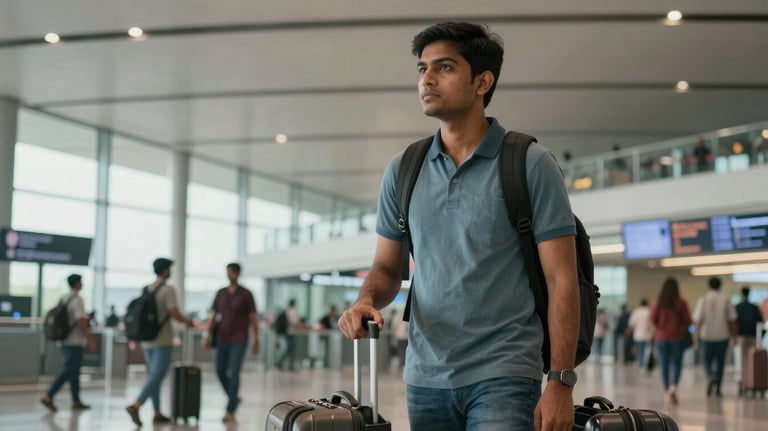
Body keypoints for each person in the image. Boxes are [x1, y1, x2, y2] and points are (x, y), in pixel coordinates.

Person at [337, 22, 579, 431]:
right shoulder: (404, 169)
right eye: (422, 68)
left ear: (482, 81)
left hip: (504, 372)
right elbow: (386, 269)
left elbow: (562, 281)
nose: (427, 79)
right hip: (426, 376)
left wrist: (560, 382)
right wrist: (366, 301)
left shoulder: (530, 163)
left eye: (444, 67)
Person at [126, 258, 195, 427]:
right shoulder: (168, 289)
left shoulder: (147, 289)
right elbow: (174, 313)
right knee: (157, 375)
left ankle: (157, 412)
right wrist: (188, 322)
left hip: (147, 339)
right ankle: (137, 404)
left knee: (153, 375)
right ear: (165, 271)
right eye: (169, 269)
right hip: (162, 339)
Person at [204, 263, 259, 423]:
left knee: (234, 372)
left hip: (239, 338)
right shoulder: (221, 293)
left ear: (238, 274)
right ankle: (233, 398)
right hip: (222, 337)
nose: (230, 275)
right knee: (220, 370)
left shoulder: (246, 294)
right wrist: (207, 334)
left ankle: (230, 410)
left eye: (233, 272)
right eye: (228, 272)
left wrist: (256, 339)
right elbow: (213, 315)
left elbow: (253, 317)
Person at [40, 274, 98, 413]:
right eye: (81, 282)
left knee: (74, 372)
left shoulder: (64, 298)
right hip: (74, 341)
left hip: (63, 339)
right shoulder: (78, 300)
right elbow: (80, 321)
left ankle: (76, 400)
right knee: (68, 369)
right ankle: (49, 395)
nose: (82, 284)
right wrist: (90, 338)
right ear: (77, 284)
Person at [693, 277, 737, 397]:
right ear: (720, 285)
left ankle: (710, 376)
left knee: (706, 360)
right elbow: (732, 319)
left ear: (709, 286)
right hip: (723, 335)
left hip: (706, 336)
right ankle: (718, 388)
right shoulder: (726, 299)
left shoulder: (703, 299)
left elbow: (698, 320)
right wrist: (734, 336)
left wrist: (697, 335)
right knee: (720, 362)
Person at [650, 277, 692, 405]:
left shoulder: (658, 302)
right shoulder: (681, 303)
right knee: (677, 363)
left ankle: (667, 390)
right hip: (677, 337)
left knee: (664, 364)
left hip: (661, 338)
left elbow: (652, 318)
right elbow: (688, 320)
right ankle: (673, 386)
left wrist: (660, 327)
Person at [733, 286, 763, 392]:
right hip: (752, 336)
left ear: (741, 294)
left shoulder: (737, 307)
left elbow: (734, 322)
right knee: (751, 361)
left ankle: (741, 383)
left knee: (740, 360)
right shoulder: (754, 307)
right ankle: (751, 380)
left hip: (741, 336)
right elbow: (760, 320)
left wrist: (734, 336)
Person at [276, 299, 304, 371]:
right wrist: (301, 326)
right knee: (290, 349)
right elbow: (294, 322)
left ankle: (284, 363)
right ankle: (282, 362)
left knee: (290, 349)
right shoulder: (292, 311)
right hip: (291, 332)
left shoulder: (287, 310)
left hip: (288, 332)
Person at [626, 299, 653, 370]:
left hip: (639, 335)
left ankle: (641, 365)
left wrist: (628, 332)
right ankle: (644, 365)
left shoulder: (637, 311)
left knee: (640, 351)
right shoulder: (649, 311)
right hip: (648, 335)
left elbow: (632, 324)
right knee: (646, 351)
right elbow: (652, 324)